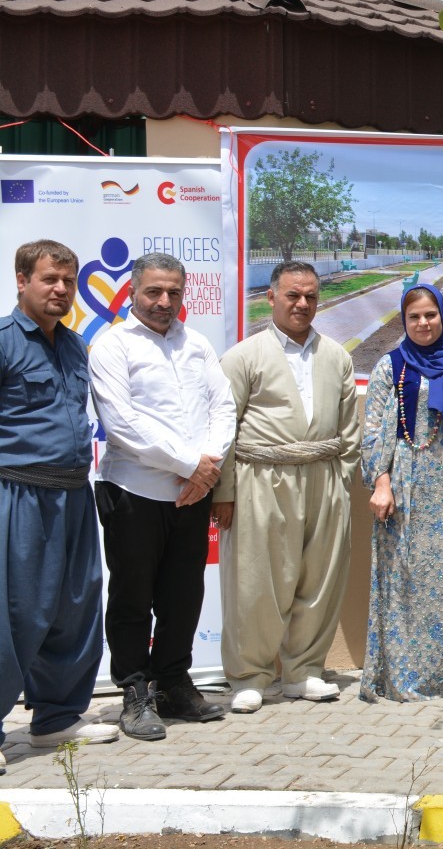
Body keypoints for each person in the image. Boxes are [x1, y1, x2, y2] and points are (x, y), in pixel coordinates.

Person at [88, 252, 236, 740]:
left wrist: (207, 466)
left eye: (174, 292)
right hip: (133, 491)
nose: (164, 301)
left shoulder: (196, 345)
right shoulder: (111, 346)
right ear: (133, 291)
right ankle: (134, 693)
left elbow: (223, 406)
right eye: (154, 291)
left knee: (183, 595)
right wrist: (189, 465)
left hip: (192, 495)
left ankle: (173, 683)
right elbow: (121, 425)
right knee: (132, 597)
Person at [210, 260, 360, 714]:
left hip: (324, 476)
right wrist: (225, 492)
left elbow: (350, 429)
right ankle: (250, 675)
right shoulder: (243, 356)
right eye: (293, 295)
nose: (302, 304)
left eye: (311, 296)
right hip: (261, 477)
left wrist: (341, 479)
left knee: (319, 578)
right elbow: (223, 428)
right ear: (270, 296)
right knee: (257, 582)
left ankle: (304, 671)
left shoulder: (336, 355)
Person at [1, 239, 119, 770]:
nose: (61, 290)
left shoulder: (75, 345)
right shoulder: (4, 343)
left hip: (73, 493)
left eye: (68, 281)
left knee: (75, 608)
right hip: (18, 494)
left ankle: (57, 718)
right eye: (49, 279)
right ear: (21, 281)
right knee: (15, 614)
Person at [360, 282, 443, 702]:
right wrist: (381, 483)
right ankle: (404, 675)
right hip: (405, 489)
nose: (424, 323)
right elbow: (373, 430)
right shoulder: (389, 367)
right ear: (404, 321)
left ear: (442, 316)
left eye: (431, 314)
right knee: (405, 578)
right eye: (414, 317)